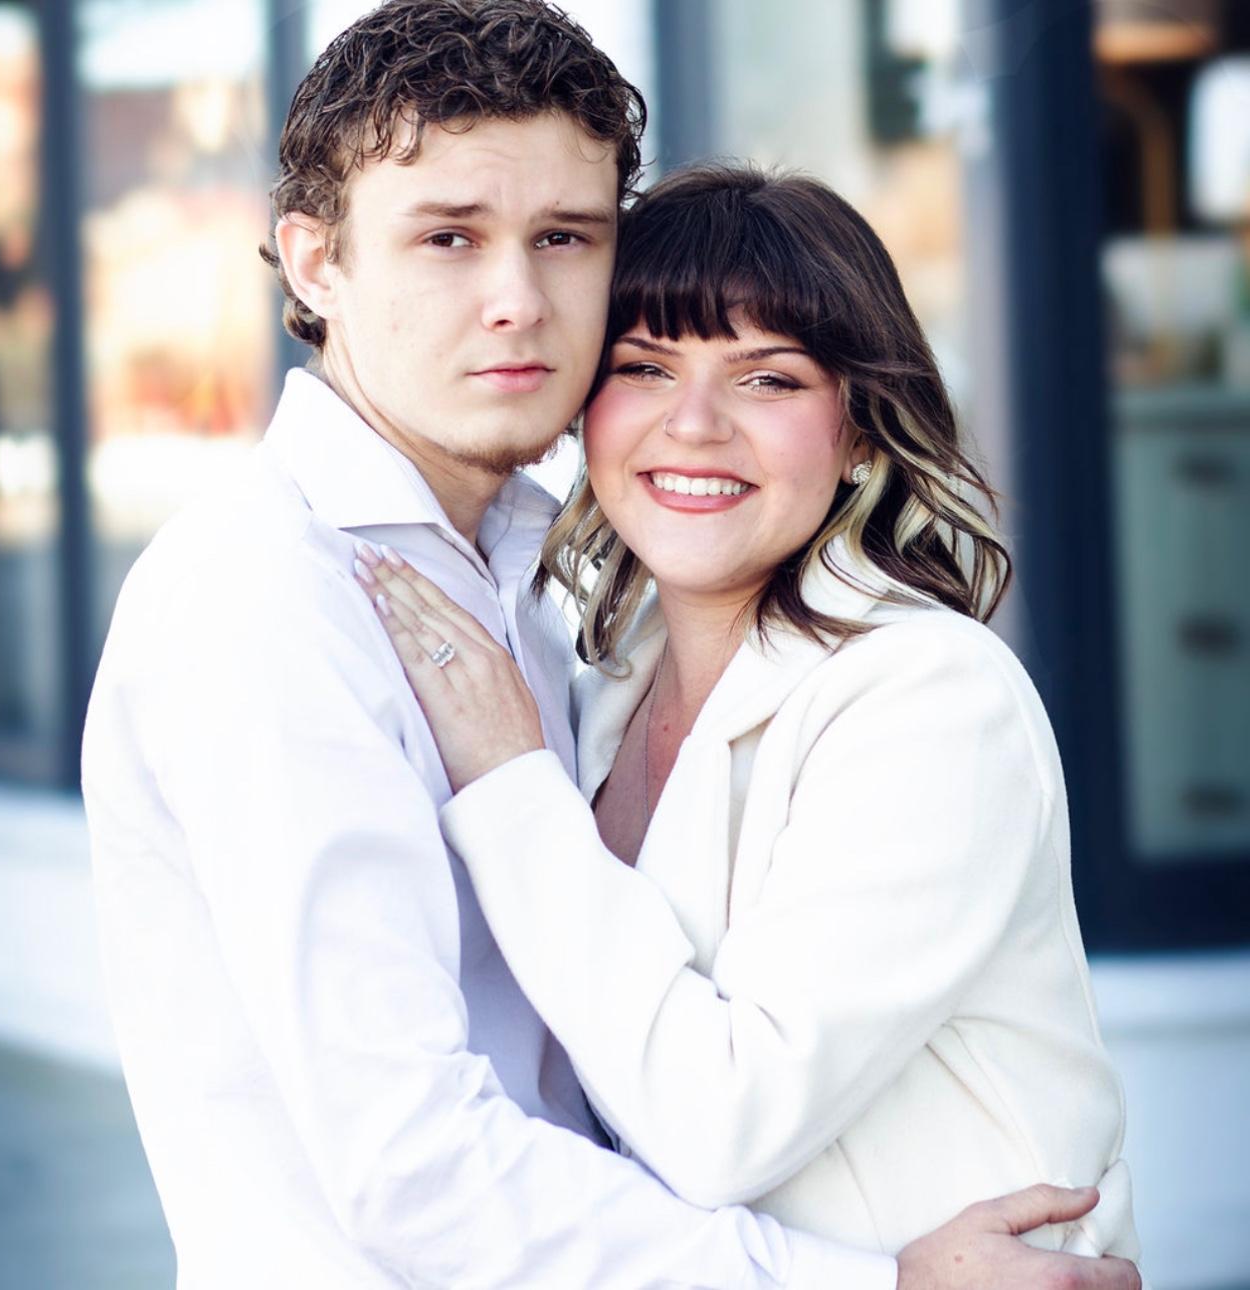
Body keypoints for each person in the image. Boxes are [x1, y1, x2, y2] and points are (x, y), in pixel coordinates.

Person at [81, 2, 1141, 1287]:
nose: (517, 303)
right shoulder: (264, 598)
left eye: (564, 238)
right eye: (449, 238)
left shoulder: (552, 611)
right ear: (315, 264)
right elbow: (413, 1166)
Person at [353, 163, 1144, 1268]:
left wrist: (507, 781)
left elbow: (721, 1125)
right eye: (644, 367)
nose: (693, 425)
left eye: (768, 380)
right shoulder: (604, 685)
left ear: (860, 431)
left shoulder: (929, 699)